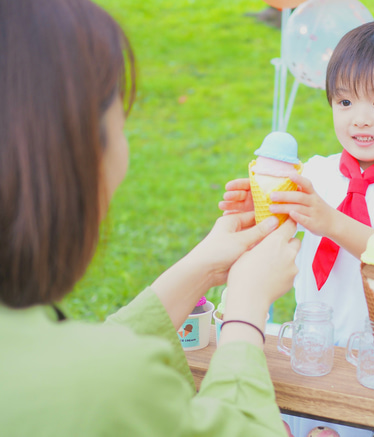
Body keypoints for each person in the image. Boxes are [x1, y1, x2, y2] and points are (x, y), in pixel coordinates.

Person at [0, 1, 299, 436]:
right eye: (121, 122)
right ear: (76, 155)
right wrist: (246, 308)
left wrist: (204, 266)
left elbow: (84, 357)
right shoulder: (110, 388)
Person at [220, 21, 374, 359]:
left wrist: (330, 222)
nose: (359, 118)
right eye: (344, 102)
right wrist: (259, 210)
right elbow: (275, 238)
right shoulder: (315, 172)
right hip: (309, 345)